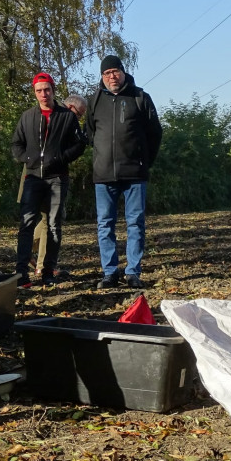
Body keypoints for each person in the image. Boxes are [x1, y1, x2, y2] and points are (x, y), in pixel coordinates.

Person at [86, 56, 163, 290]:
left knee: (135, 224)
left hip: (135, 174)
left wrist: (144, 162)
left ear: (123, 71)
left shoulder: (140, 98)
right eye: (107, 72)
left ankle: (132, 272)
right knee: (104, 225)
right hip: (104, 175)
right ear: (102, 76)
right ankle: (110, 272)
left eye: (115, 71)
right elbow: (89, 134)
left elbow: (155, 133)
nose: (112, 76)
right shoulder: (94, 101)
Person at [12, 73, 86, 287]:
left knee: (53, 226)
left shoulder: (67, 117)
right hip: (33, 177)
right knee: (26, 224)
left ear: (53, 91)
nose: (43, 94)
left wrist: (61, 158)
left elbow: (79, 145)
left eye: (47, 90)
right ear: (35, 93)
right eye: (39, 90)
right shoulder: (27, 116)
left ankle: (47, 273)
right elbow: (16, 144)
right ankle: (21, 274)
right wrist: (27, 159)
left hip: (57, 178)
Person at [28, 93, 88, 280]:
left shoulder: (56, 117)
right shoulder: (55, 119)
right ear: (71, 108)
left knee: (52, 218)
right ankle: (41, 265)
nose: (78, 119)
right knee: (51, 220)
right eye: (79, 115)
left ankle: (27, 249)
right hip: (45, 176)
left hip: (48, 174)